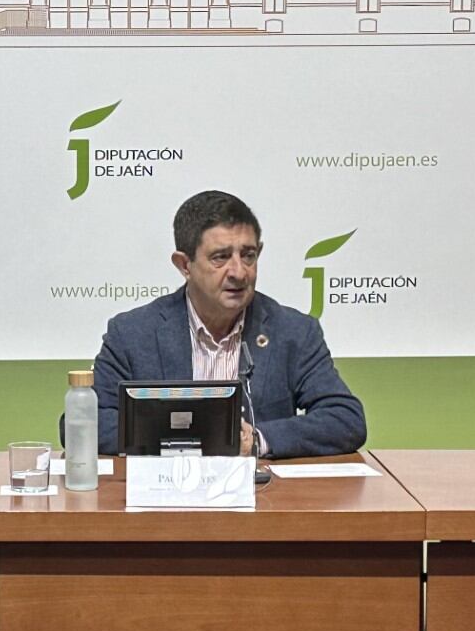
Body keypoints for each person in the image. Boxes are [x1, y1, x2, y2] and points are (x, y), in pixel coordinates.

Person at [89, 189, 366, 458]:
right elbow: (87, 423)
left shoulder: (293, 332)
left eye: (248, 255)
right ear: (184, 265)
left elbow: (345, 419)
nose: (239, 272)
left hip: (261, 488)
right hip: (166, 486)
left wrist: (255, 440)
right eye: (220, 257)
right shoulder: (133, 333)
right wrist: (202, 439)